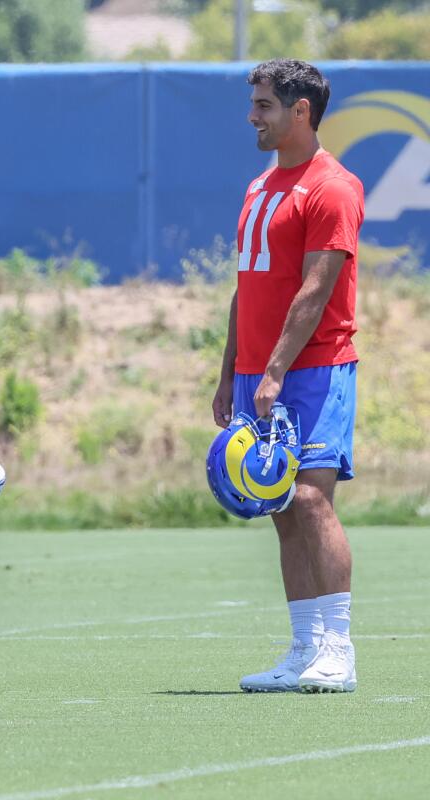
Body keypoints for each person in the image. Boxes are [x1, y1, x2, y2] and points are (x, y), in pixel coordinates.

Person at [212, 59, 364, 694]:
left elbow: (315, 288)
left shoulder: (333, 186)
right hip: (256, 372)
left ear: (302, 111)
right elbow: (245, 290)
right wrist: (230, 374)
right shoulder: (258, 187)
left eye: (265, 104)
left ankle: (338, 647)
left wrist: (275, 368)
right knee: (276, 503)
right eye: (254, 102)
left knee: (309, 498)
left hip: (314, 367)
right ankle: (303, 648)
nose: (253, 115)